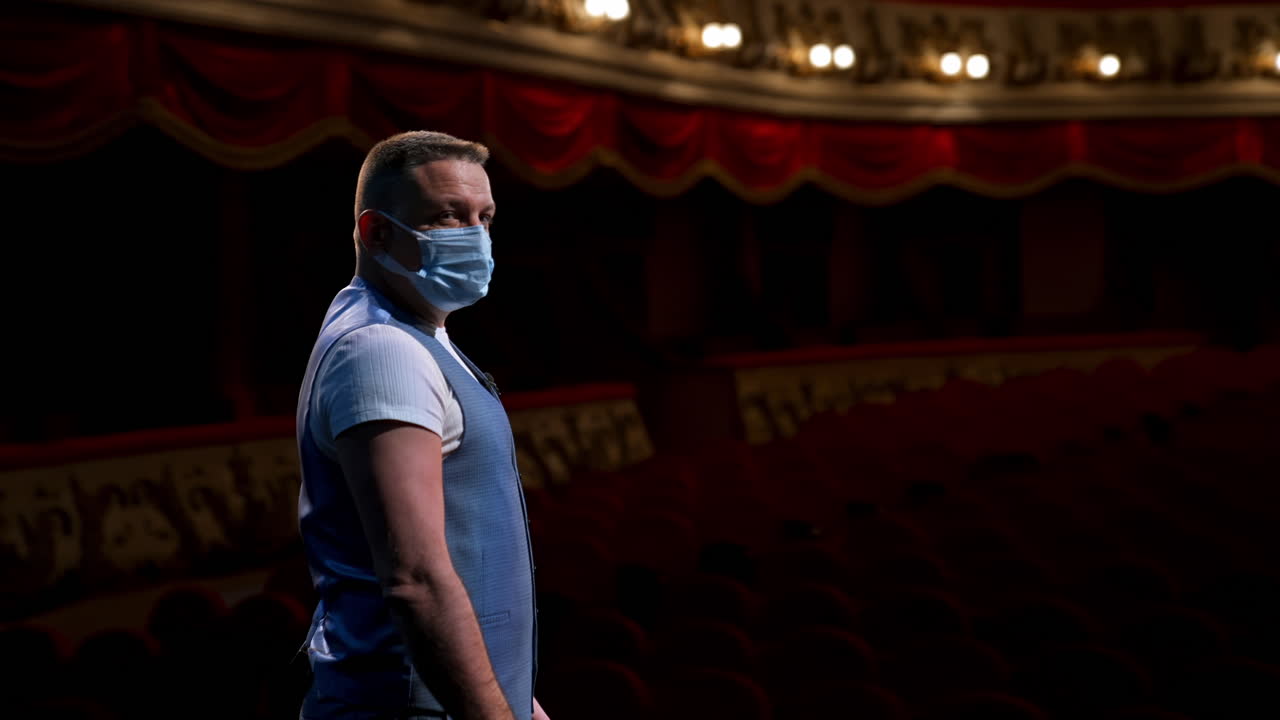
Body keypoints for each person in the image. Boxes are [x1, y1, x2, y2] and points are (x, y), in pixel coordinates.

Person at [294, 131, 546, 720]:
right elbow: (417, 581)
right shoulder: (382, 350)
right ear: (376, 232)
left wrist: (519, 700)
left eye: (484, 217)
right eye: (448, 216)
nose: (475, 235)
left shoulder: (417, 335)